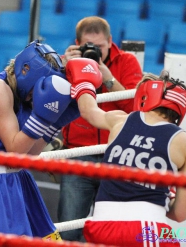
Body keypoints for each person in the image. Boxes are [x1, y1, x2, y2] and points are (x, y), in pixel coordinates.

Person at [65, 57, 186, 246]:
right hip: (148, 230)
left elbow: (88, 110)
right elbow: (180, 214)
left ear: (144, 96)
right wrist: (162, 198)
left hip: (102, 225)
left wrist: (84, 78)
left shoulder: (120, 121)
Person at [0, 40, 79, 240]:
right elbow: (14, 150)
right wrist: (43, 116)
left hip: (20, 177)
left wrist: (54, 123)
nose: (36, 94)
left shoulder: (23, 95)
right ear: (26, 69)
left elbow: (30, 153)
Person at [58, 16, 143, 241]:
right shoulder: (66, 63)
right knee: (68, 229)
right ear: (77, 44)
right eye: (89, 47)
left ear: (111, 41)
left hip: (117, 156)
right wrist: (64, 68)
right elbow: (53, 103)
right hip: (78, 154)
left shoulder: (127, 62)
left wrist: (108, 78)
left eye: (100, 47)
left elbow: (137, 108)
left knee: (111, 232)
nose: (95, 52)